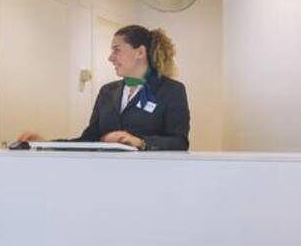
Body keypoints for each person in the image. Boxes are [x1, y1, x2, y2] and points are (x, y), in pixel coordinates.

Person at [18, 24, 190, 151]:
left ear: (140, 52)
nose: (110, 57)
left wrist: (140, 142)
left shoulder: (171, 90)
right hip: (105, 175)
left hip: (149, 176)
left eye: (117, 50)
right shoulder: (107, 91)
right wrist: (44, 144)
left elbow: (180, 142)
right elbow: (89, 140)